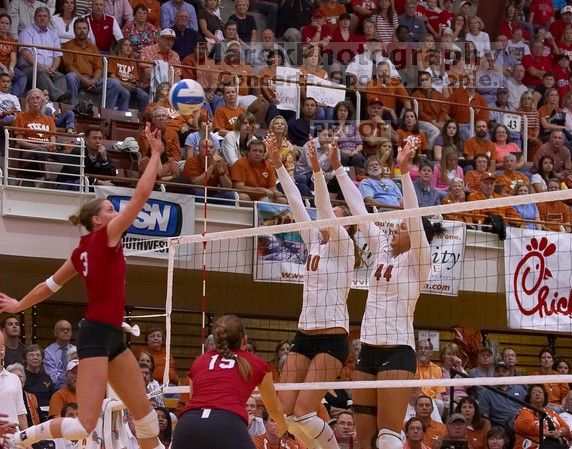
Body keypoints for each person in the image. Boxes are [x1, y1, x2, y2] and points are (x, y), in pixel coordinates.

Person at [0, 123, 167, 449]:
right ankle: (20, 438)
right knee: (84, 425)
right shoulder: (106, 237)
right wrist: (156, 153)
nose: (113, 210)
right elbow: (141, 197)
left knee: (145, 416)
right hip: (94, 333)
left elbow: (49, 286)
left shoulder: (81, 251)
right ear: (97, 220)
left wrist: (19, 305)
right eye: (108, 209)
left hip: (111, 335)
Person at [331, 138, 442, 449]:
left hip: (397, 351)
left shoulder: (420, 259)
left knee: (388, 437)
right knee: (363, 437)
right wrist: (339, 169)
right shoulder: (381, 246)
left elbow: (415, 219)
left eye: (402, 227)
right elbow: (357, 209)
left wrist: (404, 172)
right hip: (368, 350)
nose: (395, 229)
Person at [267, 136, 354, 449]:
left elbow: (323, 208)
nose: (328, 219)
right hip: (304, 335)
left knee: (304, 414)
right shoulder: (314, 240)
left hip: (332, 338)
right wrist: (278, 164)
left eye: (338, 218)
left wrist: (318, 168)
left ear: (348, 226)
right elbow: (295, 202)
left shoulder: (346, 248)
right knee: (284, 415)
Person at [170, 315, 287, 449]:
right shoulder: (257, 363)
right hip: (226, 425)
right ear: (245, 340)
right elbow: (273, 408)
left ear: (216, 340)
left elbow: (193, 398)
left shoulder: (200, 361)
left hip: (187, 426)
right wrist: (283, 427)